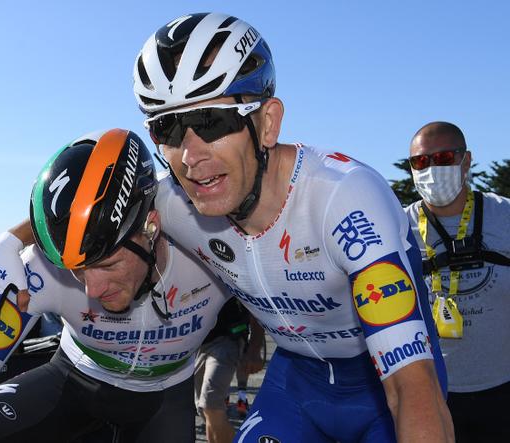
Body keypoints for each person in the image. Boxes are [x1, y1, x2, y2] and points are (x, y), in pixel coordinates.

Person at [132, 12, 453, 442]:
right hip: (296, 384)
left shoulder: (345, 198)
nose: (190, 156)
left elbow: (412, 387)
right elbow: (84, 210)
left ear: (267, 122)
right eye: (167, 128)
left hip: (382, 383)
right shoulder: (173, 204)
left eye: (212, 122)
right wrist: (11, 245)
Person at [0, 129, 235, 443]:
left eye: (107, 264)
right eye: (76, 272)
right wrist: (7, 242)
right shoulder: (35, 272)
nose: (92, 290)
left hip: (164, 401)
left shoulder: (211, 250)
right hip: (74, 382)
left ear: (151, 226)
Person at [404, 121, 510, 442]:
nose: (432, 169)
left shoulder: (504, 216)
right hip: (430, 394)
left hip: (503, 390)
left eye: (445, 157)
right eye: (421, 161)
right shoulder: (395, 228)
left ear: (467, 161)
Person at [194, 298, 262, 443]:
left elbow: (255, 307)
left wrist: (255, 349)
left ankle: (242, 396)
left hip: (227, 339)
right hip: (196, 344)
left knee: (211, 405)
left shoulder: (232, 275)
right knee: (205, 411)